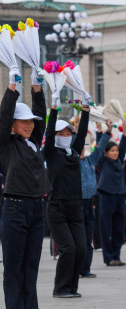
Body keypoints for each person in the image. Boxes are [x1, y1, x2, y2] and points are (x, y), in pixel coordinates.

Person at [0, 70, 51, 309]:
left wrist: (37, 87)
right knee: (14, 267)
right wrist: (12, 87)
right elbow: (5, 115)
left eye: (31, 122)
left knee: (31, 266)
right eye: (24, 122)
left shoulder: (32, 142)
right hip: (15, 209)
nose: (30, 125)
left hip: (36, 209)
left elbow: (41, 116)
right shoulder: (5, 145)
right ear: (13, 125)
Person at [44, 88, 91, 298]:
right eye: (60, 133)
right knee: (69, 249)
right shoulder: (51, 154)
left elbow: (81, 135)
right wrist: (54, 109)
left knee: (81, 249)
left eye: (67, 133)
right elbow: (49, 130)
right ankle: (60, 288)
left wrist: (86, 109)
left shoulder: (73, 153)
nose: (64, 136)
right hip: (57, 207)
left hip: (75, 207)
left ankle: (72, 287)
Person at [78, 119, 112, 278]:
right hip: (75, 203)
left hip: (89, 202)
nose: (82, 151)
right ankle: (75, 269)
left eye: (83, 148)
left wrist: (108, 132)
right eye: (79, 148)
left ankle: (85, 269)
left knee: (87, 240)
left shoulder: (90, 161)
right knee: (76, 240)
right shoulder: (71, 163)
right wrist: (78, 128)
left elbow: (99, 148)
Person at [96, 121, 126, 266]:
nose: (115, 153)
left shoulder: (120, 160)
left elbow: (124, 145)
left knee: (119, 229)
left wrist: (124, 130)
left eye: (116, 150)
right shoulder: (103, 161)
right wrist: (101, 132)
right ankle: (108, 258)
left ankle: (116, 256)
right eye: (112, 151)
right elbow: (100, 146)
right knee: (106, 228)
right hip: (106, 196)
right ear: (106, 153)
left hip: (120, 196)